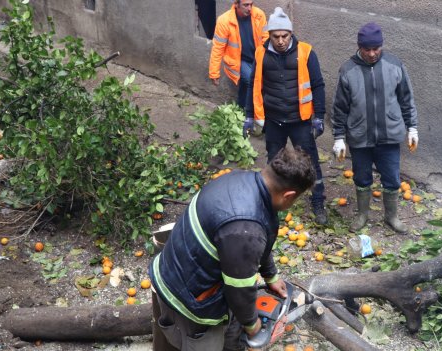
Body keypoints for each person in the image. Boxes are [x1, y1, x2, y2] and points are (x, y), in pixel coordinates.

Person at [149, 147, 315, 351]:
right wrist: (253, 326)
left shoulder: (240, 179)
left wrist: (270, 275)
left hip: (171, 268)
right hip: (188, 300)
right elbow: (240, 290)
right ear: (288, 195)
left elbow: (257, 235)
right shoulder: (245, 227)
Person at [331, 22, 418, 234]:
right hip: (360, 136)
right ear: (359, 47)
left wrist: (412, 126)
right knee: (361, 177)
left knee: (391, 178)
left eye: (376, 48)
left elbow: (406, 98)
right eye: (367, 49)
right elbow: (340, 107)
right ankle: (362, 215)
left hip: (389, 135)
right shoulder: (348, 70)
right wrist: (339, 137)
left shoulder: (394, 65)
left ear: (381, 45)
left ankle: (392, 216)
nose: (371, 54)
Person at [244, 7, 328, 225]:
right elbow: (253, 85)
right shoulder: (261, 54)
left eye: (285, 36)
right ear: (269, 35)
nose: (280, 41)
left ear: (291, 34)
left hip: (299, 120)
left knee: (311, 163)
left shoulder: (306, 52)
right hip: (274, 120)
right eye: (276, 36)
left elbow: (318, 85)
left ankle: (318, 203)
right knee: (274, 162)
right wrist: (249, 116)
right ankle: (273, 205)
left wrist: (319, 116)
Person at [208, 0, 268, 109]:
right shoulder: (224, 21)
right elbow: (218, 48)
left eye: (251, 4)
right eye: (246, 5)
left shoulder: (259, 15)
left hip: (257, 58)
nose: (250, 8)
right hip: (238, 60)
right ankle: (250, 111)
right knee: (252, 80)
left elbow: (266, 38)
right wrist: (214, 73)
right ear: (236, 5)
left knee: (247, 85)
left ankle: (241, 109)